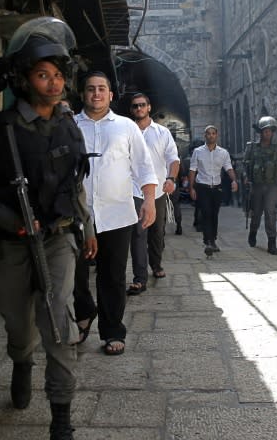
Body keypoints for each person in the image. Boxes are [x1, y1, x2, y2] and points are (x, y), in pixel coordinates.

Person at [0, 16, 96, 440]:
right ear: (23, 80)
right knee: (20, 328)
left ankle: (61, 418)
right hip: (11, 246)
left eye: (58, 75)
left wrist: (87, 228)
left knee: (58, 322)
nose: (55, 83)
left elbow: (76, 182)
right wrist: (14, 222)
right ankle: (21, 360)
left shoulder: (67, 124)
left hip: (57, 240)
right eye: (44, 75)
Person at [73, 72, 157, 356]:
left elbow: (144, 166)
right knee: (74, 271)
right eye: (90, 89)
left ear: (111, 95)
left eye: (102, 89)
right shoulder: (69, 126)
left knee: (113, 275)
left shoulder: (126, 127)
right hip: (77, 215)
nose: (96, 94)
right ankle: (84, 313)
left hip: (118, 214)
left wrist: (149, 200)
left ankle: (112, 331)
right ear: (83, 94)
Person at [127, 93, 180, 295]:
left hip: (157, 191)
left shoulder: (162, 133)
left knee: (156, 233)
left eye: (142, 105)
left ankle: (156, 265)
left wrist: (171, 178)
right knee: (138, 233)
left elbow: (173, 159)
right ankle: (140, 279)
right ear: (132, 110)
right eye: (135, 106)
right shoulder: (126, 132)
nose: (138, 108)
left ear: (149, 107)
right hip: (134, 190)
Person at [188, 126, 238, 256]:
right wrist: (191, 187)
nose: (211, 136)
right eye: (208, 134)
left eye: (213, 133)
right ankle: (208, 241)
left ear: (217, 135)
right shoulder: (197, 152)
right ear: (205, 136)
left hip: (216, 187)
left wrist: (234, 180)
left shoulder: (223, 153)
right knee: (206, 213)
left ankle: (213, 239)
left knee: (214, 214)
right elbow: (192, 170)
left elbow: (228, 168)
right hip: (202, 187)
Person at [243, 116, 277, 255]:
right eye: (265, 131)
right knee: (256, 214)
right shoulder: (252, 147)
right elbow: (245, 166)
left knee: (270, 213)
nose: (267, 134)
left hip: (272, 186)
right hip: (256, 185)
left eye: (270, 131)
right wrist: (245, 178)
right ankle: (253, 232)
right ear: (260, 132)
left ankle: (272, 243)